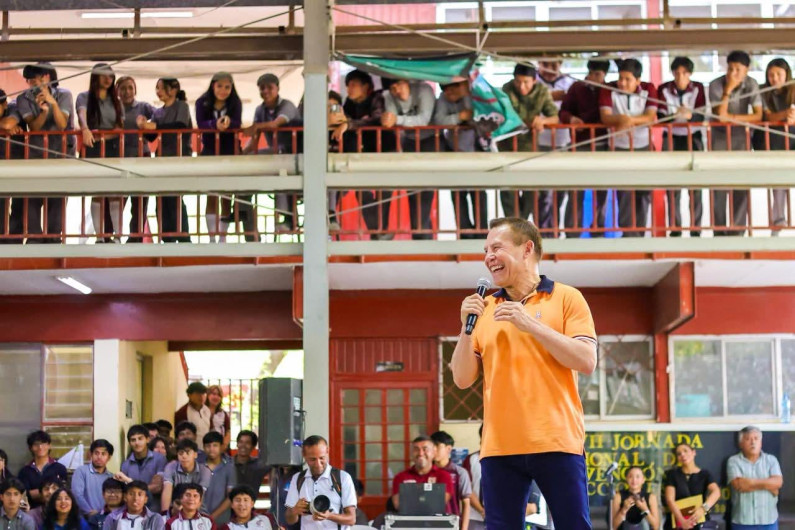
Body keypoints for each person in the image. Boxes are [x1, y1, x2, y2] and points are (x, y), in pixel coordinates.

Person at [451, 217, 597, 529]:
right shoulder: (485, 309)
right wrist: (465, 329)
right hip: (499, 446)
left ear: (526, 249)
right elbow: (462, 379)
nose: (488, 256)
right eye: (485, 250)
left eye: (496, 247)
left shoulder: (567, 297)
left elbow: (586, 360)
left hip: (557, 440)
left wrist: (530, 323)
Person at [599, 58, 658, 237]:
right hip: (619, 148)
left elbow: (650, 117)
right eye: (620, 78)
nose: (622, 83)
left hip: (643, 146)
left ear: (638, 81)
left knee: (644, 192)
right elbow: (605, 117)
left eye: (627, 79)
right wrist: (620, 120)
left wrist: (627, 120)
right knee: (624, 193)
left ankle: (640, 231)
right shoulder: (607, 89)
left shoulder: (649, 89)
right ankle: (627, 232)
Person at [16, 62, 73, 243]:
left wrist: (53, 103)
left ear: (47, 77)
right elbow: (34, 127)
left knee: (57, 198)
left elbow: (62, 124)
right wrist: (43, 110)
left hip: (60, 154)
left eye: (35, 79)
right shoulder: (23, 98)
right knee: (33, 196)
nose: (31, 83)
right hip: (35, 155)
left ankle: (54, 238)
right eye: (29, 80)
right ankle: (34, 237)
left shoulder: (64, 94)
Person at [709, 50, 763, 236]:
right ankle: (719, 231)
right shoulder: (716, 85)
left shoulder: (752, 84)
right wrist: (728, 90)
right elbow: (719, 115)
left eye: (738, 70)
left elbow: (757, 115)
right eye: (730, 68)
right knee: (718, 187)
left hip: (741, 140)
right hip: (719, 141)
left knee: (740, 185)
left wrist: (732, 118)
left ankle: (737, 231)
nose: (733, 74)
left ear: (746, 70)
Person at [498, 64, 559, 226]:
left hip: (529, 150)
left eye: (526, 82)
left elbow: (555, 117)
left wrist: (543, 121)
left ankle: (521, 224)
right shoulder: (506, 90)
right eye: (518, 82)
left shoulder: (542, 91)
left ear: (534, 80)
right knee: (507, 191)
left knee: (532, 190)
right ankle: (513, 226)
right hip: (507, 149)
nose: (521, 86)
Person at [333, 69, 391, 239]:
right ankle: (378, 232)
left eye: (353, 85)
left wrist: (349, 124)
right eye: (347, 86)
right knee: (361, 191)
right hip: (361, 153)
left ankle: (381, 231)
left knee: (383, 192)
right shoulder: (348, 104)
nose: (349, 89)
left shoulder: (377, 98)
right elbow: (342, 122)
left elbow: (376, 119)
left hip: (384, 151)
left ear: (366, 87)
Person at [195, 72, 252, 243]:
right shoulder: (201, 102)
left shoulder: (235, 103)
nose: (223, 90)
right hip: (210, 151)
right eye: (219, 86)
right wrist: (215, 124)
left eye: (227, 87)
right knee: (211, 193)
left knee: (226, 195)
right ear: (213, 86)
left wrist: (228, 123)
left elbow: (237, 123)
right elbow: (201, 124)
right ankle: (212, 237)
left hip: (230, 151)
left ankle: (223, 237)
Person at [136, 77, 192, 243]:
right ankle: (166, 236)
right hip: (163, 158)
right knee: (161, 199)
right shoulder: (158, 112)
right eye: (157, 88)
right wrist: (143, 126)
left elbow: (180, 126)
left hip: (179, 156)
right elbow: (151, 136)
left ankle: (183, 237)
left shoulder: (182, 106)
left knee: (174, 198)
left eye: (161, 88)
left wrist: (155, 126)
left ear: (173, 90)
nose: (158, 92)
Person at [559, 59, 611, 235]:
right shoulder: (577, 88)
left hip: (604, 146)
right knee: (575, 189)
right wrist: (571, 119)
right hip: (579, 145)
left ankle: (599, 228)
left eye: (597, 74)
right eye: (591, 73)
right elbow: (564, 111)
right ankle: (572, 231)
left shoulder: (611, 90)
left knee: (602, 190)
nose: (593, 77)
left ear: (605, 75)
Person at [242, 73, 300, 233]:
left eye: (269, 87)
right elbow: (255, 136)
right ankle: (243, 212)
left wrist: (257, 127)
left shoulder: (287, 105)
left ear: (278, 88)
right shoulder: (260, 110)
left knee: (282, 176)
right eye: (262, 88)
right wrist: (243, 153)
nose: (265, 91)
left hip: (294, 153)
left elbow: (275, 124)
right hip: (276, 152)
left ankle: (285, 217)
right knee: (248, 166)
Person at [382, 77, 438, 240]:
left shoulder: (424, 90)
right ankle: (420, 236)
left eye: (399, 85)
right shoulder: (389, 97)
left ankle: (423, 237)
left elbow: (423, 120)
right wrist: (393, 120)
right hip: (409, 142)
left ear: (407, 81)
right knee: (412, 192)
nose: (397, 91)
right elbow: (388, 120)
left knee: (425, 192)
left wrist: (397, 120)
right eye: (393, 88)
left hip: (430, 140)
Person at [657, 57, 707, 237]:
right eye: (677, 73)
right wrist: (677, 115)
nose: (680, 77)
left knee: (696, 187)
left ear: (690, 74)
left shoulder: (698, 88)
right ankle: (676, 228)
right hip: (671, 138)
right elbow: (660, 116)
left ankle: (696, 229)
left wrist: (688, 117)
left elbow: (700, 116)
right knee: (673, 187)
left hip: (692, 138)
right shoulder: (663, 89)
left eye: (684, 73)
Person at [76, 63, 125, 243]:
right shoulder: (84, 97)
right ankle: (99, 236)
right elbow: (82, 114)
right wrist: (85, 129)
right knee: (97, 191)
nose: (108, 79)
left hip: (111, 147)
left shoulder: (116, 101)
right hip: (93, 148)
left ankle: (118, 236)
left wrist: (100, 137)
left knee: (115, 192)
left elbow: (119, 127)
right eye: (104, 75)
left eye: (111, 76)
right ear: (95, 77)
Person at [434, 80, 487, 239]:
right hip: (455, 151)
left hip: (476, 152)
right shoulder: (443, 99)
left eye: (452, 89)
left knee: (478, 192)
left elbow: (475, 116)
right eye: (445, 89)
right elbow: (439, 120)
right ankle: (464, 232)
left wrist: (465, 98)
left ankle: (482, 232)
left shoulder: (474, 96)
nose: (448, 93)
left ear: (462, 86)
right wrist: (459, 116)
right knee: (458, 192)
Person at [284, 435, 357, 529]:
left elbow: (351, 519)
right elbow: (290, 520)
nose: (318, 464)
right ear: (304, 455)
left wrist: (329, 516)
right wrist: (294, 511)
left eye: (322, 458)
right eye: (312, 459)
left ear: (327, 451)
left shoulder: (342, 478)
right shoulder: (298, 479)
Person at [756, 58, 795, 235]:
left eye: (779, 74)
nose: (775, 78)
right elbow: (767, 117)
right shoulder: (764, 92)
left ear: (787, 74)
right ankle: (778, 220)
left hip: (792, 138)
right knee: (779, 182)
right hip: (775, 142)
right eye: (771, 75)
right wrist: (784, 115)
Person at [116, 76, 155, 243]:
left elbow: (161, 116)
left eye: (130, 88)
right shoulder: (114, 109)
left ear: (135, 90)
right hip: (119, 158)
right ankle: (114, 235)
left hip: (141, 157)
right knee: (117, 200)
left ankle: (136, 236)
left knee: (139, 201)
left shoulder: (143, 107)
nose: (127, 92)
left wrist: (147, 125)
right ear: (117, 91)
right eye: (123, 88)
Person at [727, 426, 783, 530]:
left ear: (761, 443)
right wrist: (768, 485)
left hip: (768, 521)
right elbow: (739, 485)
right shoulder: (734, 461)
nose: (753, 442)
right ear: (741, 444)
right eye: (748, 439)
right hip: (742, 522)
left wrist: (749, 483)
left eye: (756, 439)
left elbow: (778, 483)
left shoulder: (771, 460)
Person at [662, 442, 720, 530]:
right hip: (678, 522)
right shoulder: (672, 474)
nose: (683, 455)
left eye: (685, 451)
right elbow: (670, 499)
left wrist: (703, 509)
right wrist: (682, 521)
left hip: (699, 520)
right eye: (679, 453)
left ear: (694, 452)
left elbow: (716, 492)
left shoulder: (704, 474)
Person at [391, 436, 454, 512]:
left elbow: (438, 504)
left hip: (435, 522)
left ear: (434, 452)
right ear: (411, 453)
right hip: (409, 522)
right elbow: (398, 505)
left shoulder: (444, 476)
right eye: (416, 449)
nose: (420, 453)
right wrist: (429, 497)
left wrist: (410, 497)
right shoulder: (400, 477)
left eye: (425, 449)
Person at [116, 425, 167, 510]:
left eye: (140, 439)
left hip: (154, 511)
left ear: (147, 439)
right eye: (133, 440)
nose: (137, 443)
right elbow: (126, 491)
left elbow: (157, 487)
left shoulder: (159, 459)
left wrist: (130, 482)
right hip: (133, 511)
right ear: (129, 443)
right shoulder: (125, 465)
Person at [430, 431, 472, 528]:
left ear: (448, 449)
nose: (434, 450)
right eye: (431, 446)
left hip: (451, 524)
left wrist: (464, 528)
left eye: (437, 446)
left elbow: (466, 504)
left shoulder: (459, 473)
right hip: (428, 524)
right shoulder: (426, 472)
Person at [17, 431, 68, 509]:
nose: (40, 447)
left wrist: (35, 493)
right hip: (31, 512)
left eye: (43, 443)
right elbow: (23, 494)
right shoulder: (24, 471)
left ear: (49, 446)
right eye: (36, 444)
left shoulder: (60, 468)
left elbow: (63, 492)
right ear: (30, 448)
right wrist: (49, 492)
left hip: (56, 510)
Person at [161, 440, 212, 513]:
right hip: (175, 511)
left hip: (199, 513)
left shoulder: (205, 471)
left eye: (188, 453)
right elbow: (167, 491)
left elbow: (200, 496)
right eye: (181, 453)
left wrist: (188, 517)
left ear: (195, 455)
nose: (184, 456)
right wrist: (165, 515)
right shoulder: (170, 467)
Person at [72, 439, 115, 515]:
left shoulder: (111, 477)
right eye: (96, 453)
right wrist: (90, 512)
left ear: (109, 457)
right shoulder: (81, 471)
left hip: (105, 519)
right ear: (91, 454)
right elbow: (77, 495)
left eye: (103, 454)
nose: (99, 457)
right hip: (85, 519)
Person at [201, 432, 235, 524]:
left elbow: (230, 497)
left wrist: (211, 518)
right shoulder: (198, 466)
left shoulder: (229, 467)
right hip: (199, 521)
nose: (211, 449)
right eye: (208, 446)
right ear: (203, 448)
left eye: (215, 445)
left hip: (222, 521)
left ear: (221, 447)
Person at [463, 425, 485, 530]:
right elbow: (468, 490)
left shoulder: (507, 460)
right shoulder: (471, 459)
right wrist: (482, 511)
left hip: (501, 517)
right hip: (475, 517)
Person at [205, 386, 231, 452]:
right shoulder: (202, 411)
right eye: (213, 394)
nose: (216, 397)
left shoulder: (223, 414)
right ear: (207, 395)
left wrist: (224, 445)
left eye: (219, 395)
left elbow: (228, 431)